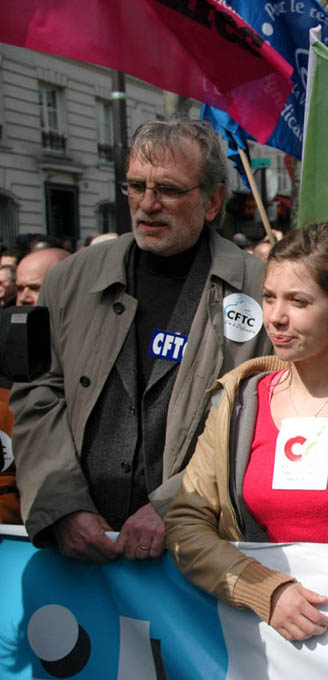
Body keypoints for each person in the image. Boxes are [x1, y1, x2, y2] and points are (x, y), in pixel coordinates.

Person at [11, 116, 271, 563]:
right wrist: (63, 505)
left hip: (200, 556)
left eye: (168, 190)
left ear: (212, 202)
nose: (147, 204)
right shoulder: (71, 278)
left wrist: (174, 506)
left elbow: (264, 423)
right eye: (135, 186)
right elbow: (37, 393)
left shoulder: (260, 290)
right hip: (80, 554)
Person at [166, 223, 328, 641]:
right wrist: (262, 590)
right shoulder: (238, 399)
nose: (275, 317)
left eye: (299, 301)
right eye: (269, 297)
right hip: (257, 643)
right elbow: (186, 521)